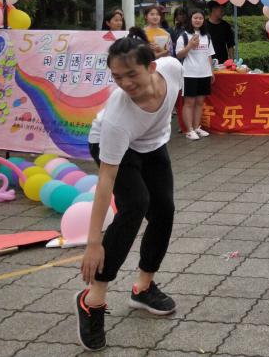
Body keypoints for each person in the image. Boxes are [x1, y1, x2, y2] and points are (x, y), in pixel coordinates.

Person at [76, 28, 183, 351]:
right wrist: (93, 243)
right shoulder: (117, 118)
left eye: (131, 74)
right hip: (113, 146)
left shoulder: (172, 69)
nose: (124, 83)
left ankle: (143, 288)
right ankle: (93, 299)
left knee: (163, 209)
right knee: (135, 204)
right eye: (116, 77)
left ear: (151, 67)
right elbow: (105, 182)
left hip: (152, 144)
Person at [175, 9, 215, 141]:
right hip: (189, 73)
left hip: (204, 73)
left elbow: (209, 55)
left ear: (203, 20)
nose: (198, 20)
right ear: (190, 19)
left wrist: (211, 71)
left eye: (200, 18)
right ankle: (189, 130)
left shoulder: (206, 36)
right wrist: (190, 46)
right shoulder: (184, 36)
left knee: (200, 102)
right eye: (195, 18)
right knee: (189, 103)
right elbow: (178, 54)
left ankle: (197, 127)